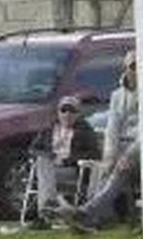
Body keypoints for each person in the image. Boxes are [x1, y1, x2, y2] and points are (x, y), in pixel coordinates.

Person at [66, 52, 142, 231]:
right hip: (121, 145)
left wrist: (128, 155)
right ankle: (95, 217)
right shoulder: (117, 95)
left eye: (141, 66)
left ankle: (87, 212)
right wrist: (109, 155)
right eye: (133, 66)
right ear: (125, 69)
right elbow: (112, 128)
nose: (137, 70)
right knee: (103, 167)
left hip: (141, 148)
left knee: (120, 167)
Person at [29, 95, 100, 226]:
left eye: (72, 111)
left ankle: (48, 208)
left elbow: (94, 153)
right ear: (58, 112)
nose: (67, 114)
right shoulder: (49, 128)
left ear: (78, 114)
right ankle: (50, 205)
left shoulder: (84, 130)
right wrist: (48, 155)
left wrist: (68, 159)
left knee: (45, 168)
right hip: (49, 167)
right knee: (42, 161)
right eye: (64, 110)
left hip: (72, 170)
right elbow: (33, 148)